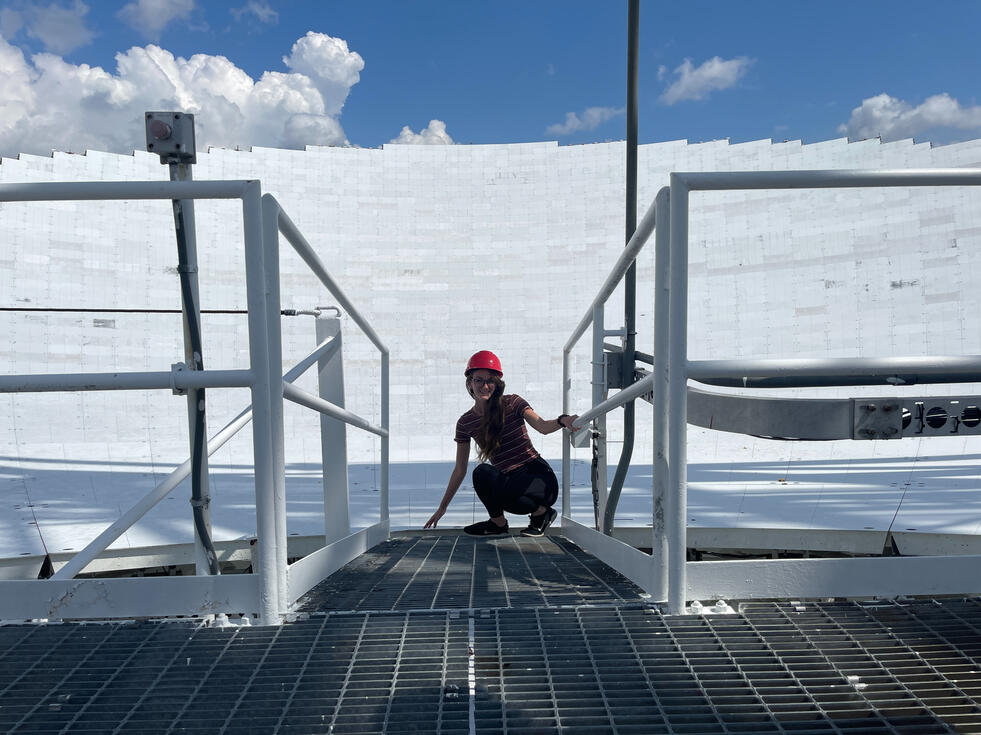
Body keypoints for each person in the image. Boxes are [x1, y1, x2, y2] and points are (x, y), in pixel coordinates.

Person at [424, 350, 579, 537]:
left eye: (490, 381)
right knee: (482, 473)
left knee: (506, 486)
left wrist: (563, 420)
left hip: (538, 478)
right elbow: (460, 469)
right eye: (479, 380)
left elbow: (542, 426)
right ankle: (498, 524)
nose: (485, 386)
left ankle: (541, 514)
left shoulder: (512, 403)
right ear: (470, 383)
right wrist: (442, 507)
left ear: (497, 384)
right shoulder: (465, 423)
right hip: (512, 485)